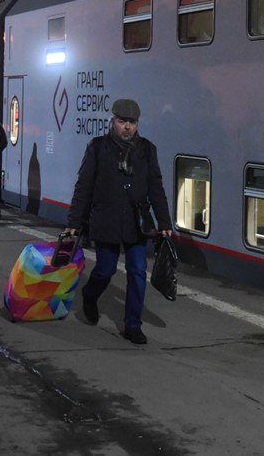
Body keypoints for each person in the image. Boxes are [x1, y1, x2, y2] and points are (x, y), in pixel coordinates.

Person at [64, 98, 174, 345]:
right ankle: (90, 294)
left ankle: (133, 324)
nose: (127, 127)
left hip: (137, 222)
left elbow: (156, 187)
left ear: (137, 124)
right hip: (106, 219)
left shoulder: (147, 149)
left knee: (137, 271)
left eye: (131, 122)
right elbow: (84, 186)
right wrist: (74, 220)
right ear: (112, 121)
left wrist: (164, 222)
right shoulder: (97, 147)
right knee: (106, 269)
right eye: (122, 121)